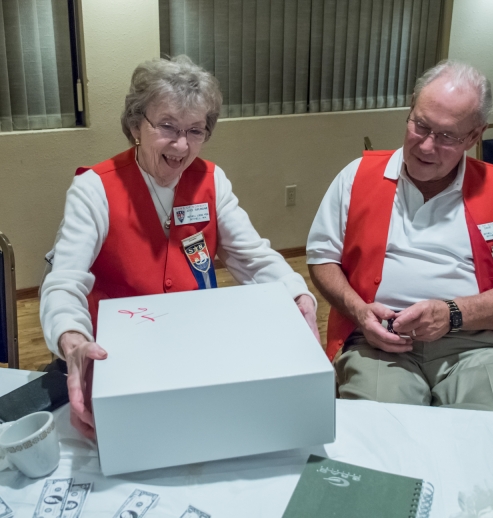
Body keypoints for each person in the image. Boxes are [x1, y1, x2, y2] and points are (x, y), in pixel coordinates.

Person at [40, 56, 319, 439]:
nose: (182, 145)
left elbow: (253, 258)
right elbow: (64, 281)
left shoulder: (211, 180)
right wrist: (71, 336)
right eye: (167, 126)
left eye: (195, 130)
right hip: (119, 354)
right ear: (137, 124)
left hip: (195, 344)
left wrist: (297, 293)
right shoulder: (96, 188)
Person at [306, 60, 493, 411]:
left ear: (474, 136)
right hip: (380, 341)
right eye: (420, 125)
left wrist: (452, 314)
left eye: (447, 136)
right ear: (410, 110)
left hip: (475, 344)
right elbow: (321, 258)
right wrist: (359, 312)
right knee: (383, 422)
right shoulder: (357, 176)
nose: (425, 146)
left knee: (488, 423)